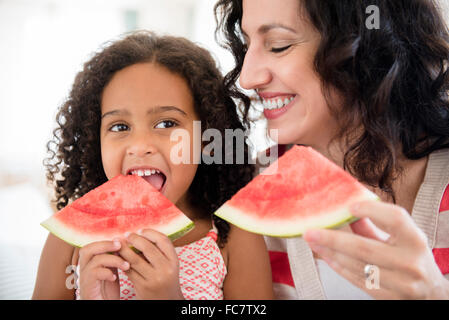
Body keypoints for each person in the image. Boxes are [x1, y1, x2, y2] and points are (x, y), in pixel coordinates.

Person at [215, 0, 449, 299]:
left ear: (365, 45)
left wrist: (435, 293)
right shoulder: (243, 194)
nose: (248, 78)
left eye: (278, 45)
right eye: (247, 44)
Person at [32, 31, 273, 300]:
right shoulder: (68, 242)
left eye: (167, 124)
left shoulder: (233, 239)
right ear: (94, 141)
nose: (140, 145)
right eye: (120, 126)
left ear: (207, 138)